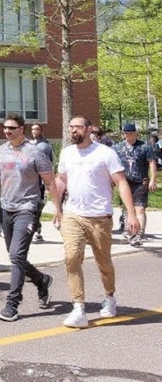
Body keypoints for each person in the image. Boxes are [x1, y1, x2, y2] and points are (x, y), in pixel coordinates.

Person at [55, 116, 140, 329]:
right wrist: (56, 208)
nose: (73, 130)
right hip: (73, 214)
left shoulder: (105, 153)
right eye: (71, 127)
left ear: (89, 129)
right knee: (71, 256)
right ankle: (78, 307)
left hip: (100, 216)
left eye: (77, 127)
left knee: (104, 262)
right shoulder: (67, 153)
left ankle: (109, 297)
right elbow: (61, 180)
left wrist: (131, 214)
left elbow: (121, 182)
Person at [0, 115, 61, 321]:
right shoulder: (0, 151)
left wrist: (58, 209)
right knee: (16, 256)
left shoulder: (36, 152)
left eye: (11, 128)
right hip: (6, 208)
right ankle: (41, 280)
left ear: (21, 129)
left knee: (16, 255)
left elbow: (50, 182)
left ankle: (12, 304)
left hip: (28, 208)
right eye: (5, 127)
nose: (7, 131)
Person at [114, 123, 156, 247]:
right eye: (125, 133)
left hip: (140, 181)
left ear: (135, 133)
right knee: (127, 208)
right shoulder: (118, 147)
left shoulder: (144, 147)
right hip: (124, 182)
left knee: (140, 208)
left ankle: (139, 234)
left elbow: (152, 163)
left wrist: (153, 178)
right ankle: (128, 231)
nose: (128, 135)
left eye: (130, 132)